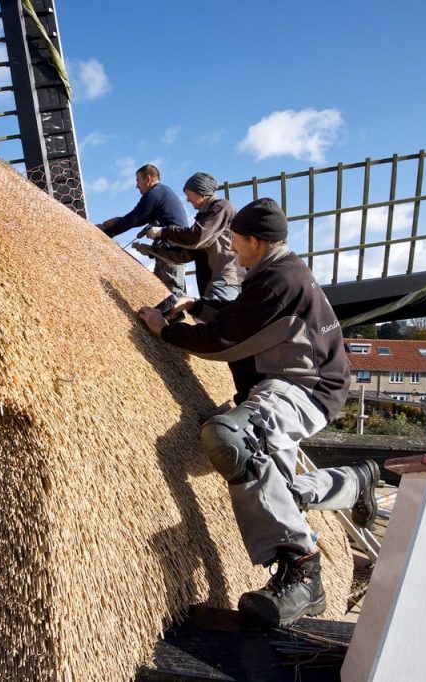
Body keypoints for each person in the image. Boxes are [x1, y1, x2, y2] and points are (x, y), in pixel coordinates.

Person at [137, 198, 379, 628]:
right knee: (277, 488)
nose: (229, 245)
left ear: (254, 241)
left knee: (232, 439)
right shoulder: (278, 270)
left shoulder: (276, 280)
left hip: (304, 388)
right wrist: (196, 306)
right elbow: (248, 320)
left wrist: (164, 329)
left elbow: (224, 341)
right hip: (310, 382)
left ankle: (303, 571)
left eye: (234, 238)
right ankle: (353, 481)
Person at [143, 172, 243, 309]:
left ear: (201, 191)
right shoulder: (206, 220)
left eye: (189, 194)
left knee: (217, 321)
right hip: (213, 283)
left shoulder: (222, 207)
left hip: (226, 280)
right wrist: (152, 251)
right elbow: (185, 255)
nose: (187, 199)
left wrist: (163, 231)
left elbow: (196, 238)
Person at [98, 164, 190, 297]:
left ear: (148, 179)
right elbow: (140, 219)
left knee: (173, 296)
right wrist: (114, 222)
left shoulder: (154, 193)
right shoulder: (162, 193)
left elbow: (134, 218)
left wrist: (107, 233)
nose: (137, 186)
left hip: (172, 253)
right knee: (162, 295)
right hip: (169, 252)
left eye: (138, 180)